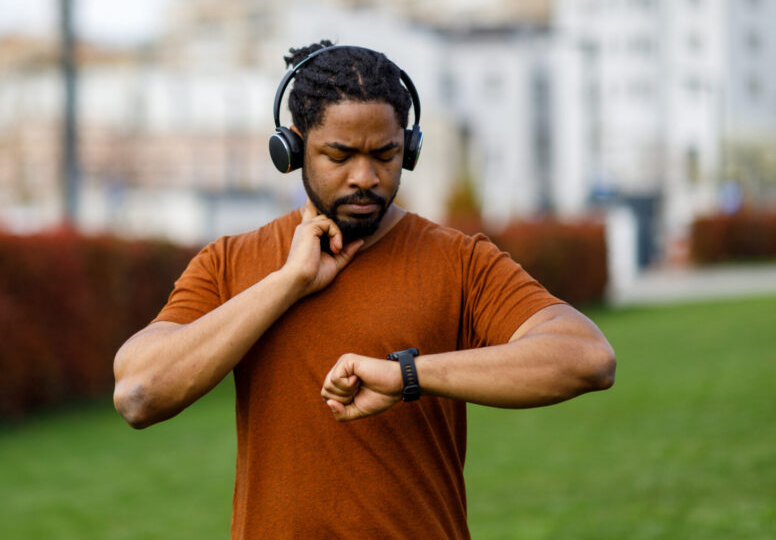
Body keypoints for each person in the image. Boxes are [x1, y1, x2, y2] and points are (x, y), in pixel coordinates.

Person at [113, 41, 616, 539]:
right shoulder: (231, 262)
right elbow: (139, 394)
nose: (365, 177)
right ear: (290, 149)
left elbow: (587, 357)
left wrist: (410, 375)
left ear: (410, 150)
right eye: (340, 155)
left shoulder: (460, 260)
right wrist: (288, 283)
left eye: (385, 154)